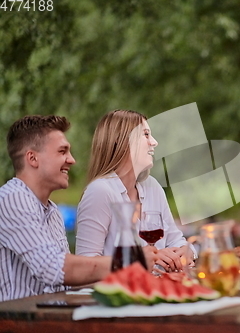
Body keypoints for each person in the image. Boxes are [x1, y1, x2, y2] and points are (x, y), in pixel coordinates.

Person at [0, 115, 156, 302]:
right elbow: (53, 268)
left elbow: (68, 282)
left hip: (51, 320)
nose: (72, 160)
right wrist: (131, 261)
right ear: (32, 158)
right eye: (62, 151)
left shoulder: (52, 210)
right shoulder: (13, 199)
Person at [76, 109, 195, 273]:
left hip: (156, 291)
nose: (154, 142)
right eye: (146, 134)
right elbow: (84, 265)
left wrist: (186, 252)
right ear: (121, 140)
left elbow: (176, 240)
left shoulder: (152, 186)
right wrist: (139, 260)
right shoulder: (100, 191)